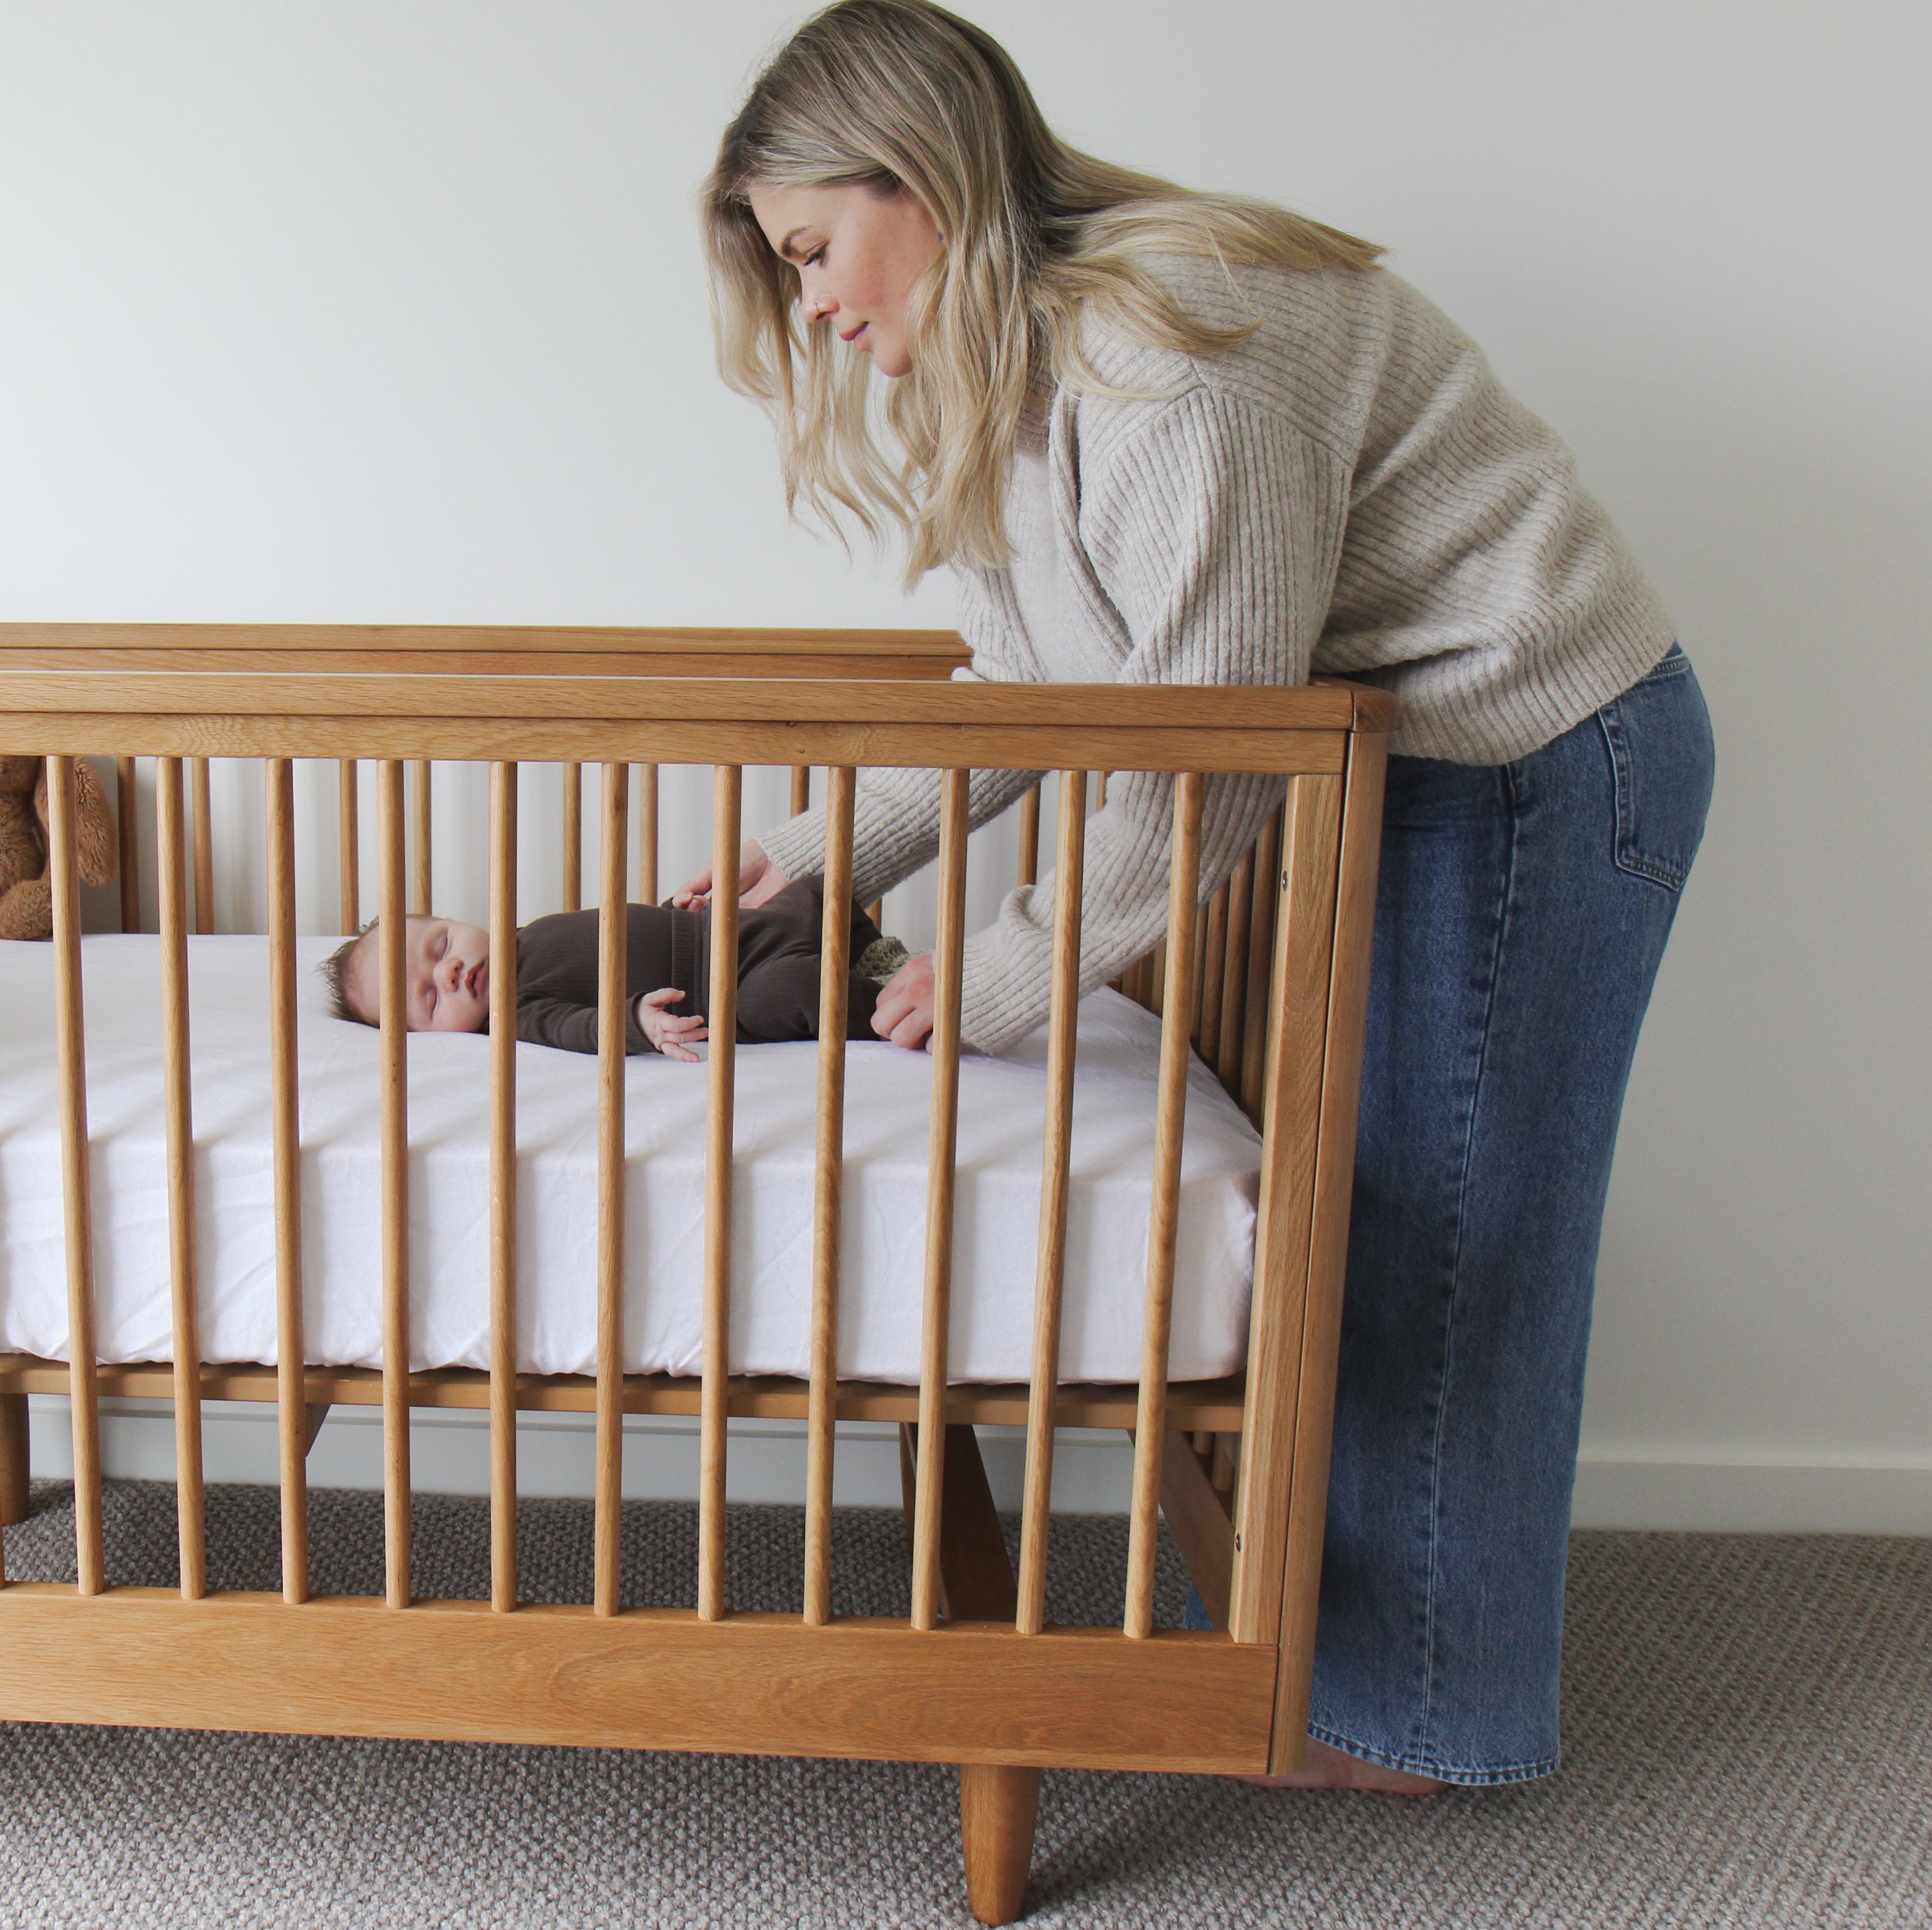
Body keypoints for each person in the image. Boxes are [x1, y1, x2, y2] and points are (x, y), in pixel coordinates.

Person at [675, 0, 1713, 1792]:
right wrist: (826, 855)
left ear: (917, 174)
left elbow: (1209, 755)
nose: (822, 307)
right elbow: (1034, 690)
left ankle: (1423, 1725)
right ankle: (1352, 1660)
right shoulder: (1021, 377)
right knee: (1380, 1211)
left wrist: (1004, 977)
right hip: (1416, 754)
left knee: (1456, 1236)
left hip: (1539, 750)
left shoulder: (1174, 358)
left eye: (817, 250)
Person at [320, 878, 907, 1057]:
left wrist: (679, 914)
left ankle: (875, 953)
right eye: (428, 998)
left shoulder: (527, 936)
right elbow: (580, 1027)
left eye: (441, 945)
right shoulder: (517, 1016)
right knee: (791, 989)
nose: (450, 972)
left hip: (724, 933)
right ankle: (885, 995)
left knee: (810, 891)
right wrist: (638, 1023)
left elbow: (625, 929)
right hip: (731, 990)